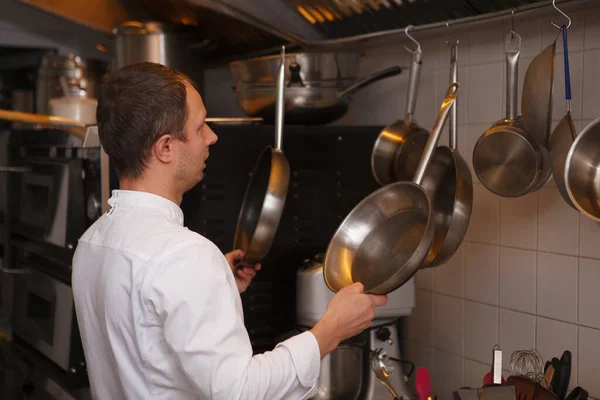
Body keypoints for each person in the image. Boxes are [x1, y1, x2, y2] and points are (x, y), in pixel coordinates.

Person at [72, 62, 388, 400]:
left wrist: (214, 279)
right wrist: (329, 331)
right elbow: (240, 391)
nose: (212, 136)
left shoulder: (92, 243)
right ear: (165, 148)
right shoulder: (185, 257)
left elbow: (143, 333)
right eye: (200, 126)